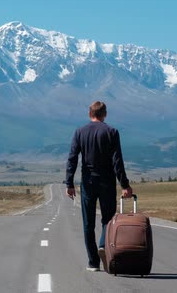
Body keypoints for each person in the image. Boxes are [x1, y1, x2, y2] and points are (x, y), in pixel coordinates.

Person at [64, 101, 132, 272]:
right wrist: (125, 184)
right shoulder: (111, 132)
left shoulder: (80, 132)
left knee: (88, 223)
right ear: (105, 114)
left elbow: (72, 158)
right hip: (107, 182)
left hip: (88, 182)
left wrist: (69, 183)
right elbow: (117, 161)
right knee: (107, 220)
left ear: (90, 114)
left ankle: (93, 262)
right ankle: (103, 245)